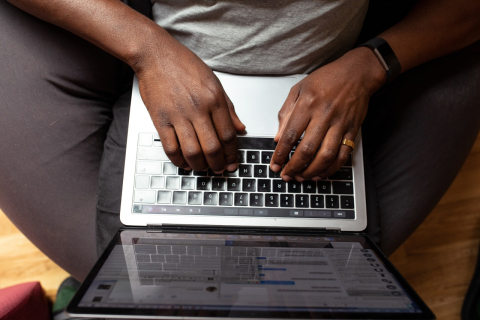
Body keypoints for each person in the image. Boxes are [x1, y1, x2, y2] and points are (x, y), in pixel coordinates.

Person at [0, 0, 479, 283]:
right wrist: (150, 52)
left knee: (321, 285)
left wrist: (373, 64)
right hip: (163, 59)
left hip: (335, 73)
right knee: (145, 282)